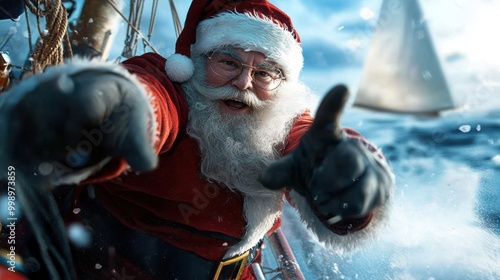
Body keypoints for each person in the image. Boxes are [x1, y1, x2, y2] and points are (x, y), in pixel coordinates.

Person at [0, 0, 394, 279]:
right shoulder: (171, 88)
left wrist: (343, 176)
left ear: (283, 82)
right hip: (86, 265)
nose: (243, 84)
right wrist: (109, 110)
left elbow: (311, 146)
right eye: (228, 62)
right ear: (195, 61)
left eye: (265, 73)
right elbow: (146, 101)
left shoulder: (286, 121)